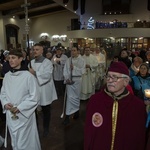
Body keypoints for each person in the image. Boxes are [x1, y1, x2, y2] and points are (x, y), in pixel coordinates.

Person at [84, 61, 146, 150]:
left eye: (115, 77)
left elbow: (138, 139)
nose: (109, 80)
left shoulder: (137, 106)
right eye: (108, 76)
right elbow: (89, 133)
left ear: (126, 81)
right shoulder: (95, 101)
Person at [0, 49, 41, 150]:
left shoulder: (28, 76)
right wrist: (5, 103)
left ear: (21, 59)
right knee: (14, 140)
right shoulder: (7, 76)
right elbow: (3, 93)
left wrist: (20, 107)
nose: (10, 60)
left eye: (13, 58)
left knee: (25, 141)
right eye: (9, 58)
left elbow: (34, 97)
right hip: (11, 114)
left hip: (24, 115)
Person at [29, 43, 57, 137]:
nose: (34, 51)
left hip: (44, 89)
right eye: (34, 49)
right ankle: (35, 127)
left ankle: (46, 128)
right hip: (34, 89)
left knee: (46, 110)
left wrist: (35, 73)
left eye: (37, 49)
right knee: (34, 110)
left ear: (42, 51)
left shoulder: (47, 62)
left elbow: (47, 76)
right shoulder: (31, 62)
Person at [63, 47, 85, 125]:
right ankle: (67, 116)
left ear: (78, 51)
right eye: (71, 50)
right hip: (70, 81)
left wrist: (74, 68)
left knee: (76, 97)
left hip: (77, 81)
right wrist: (66, 78)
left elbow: (83, 71)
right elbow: (65, 70)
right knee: (69, 98)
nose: (72, 52)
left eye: (74, 50)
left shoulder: (82, 60)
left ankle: (76, 111)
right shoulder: (68, 60)